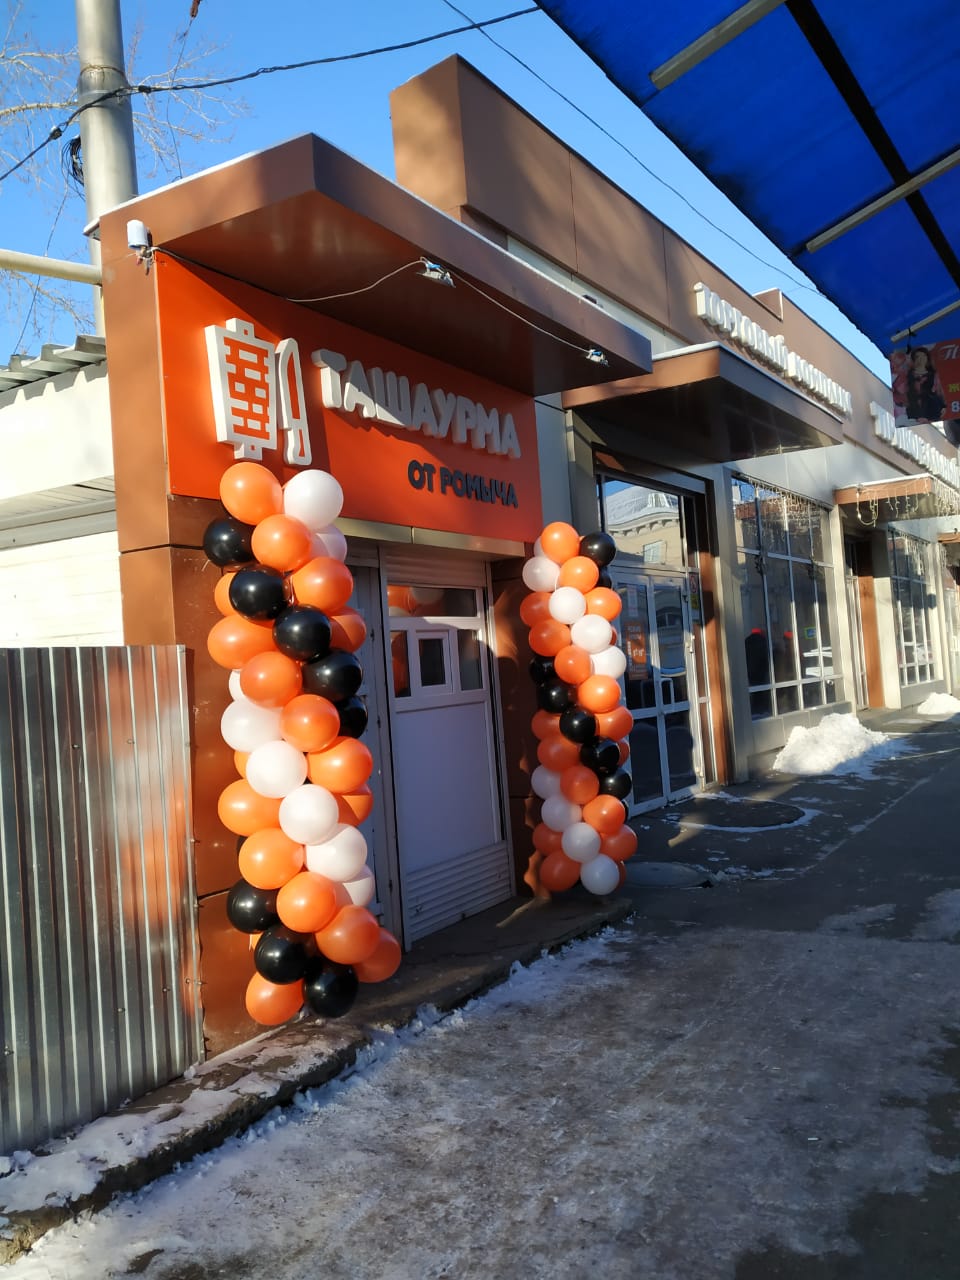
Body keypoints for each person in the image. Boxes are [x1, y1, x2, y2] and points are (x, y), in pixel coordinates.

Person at [905, 346, 945, 423]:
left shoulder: (933, 374)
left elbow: (939, 391)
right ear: (914, 359)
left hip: (932, 406)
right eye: (918, 357)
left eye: (923, 356)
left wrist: (943, 406)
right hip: (914, 407)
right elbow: (905, 393)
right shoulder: (908, 375)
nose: (921, 359)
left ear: (927, 358)